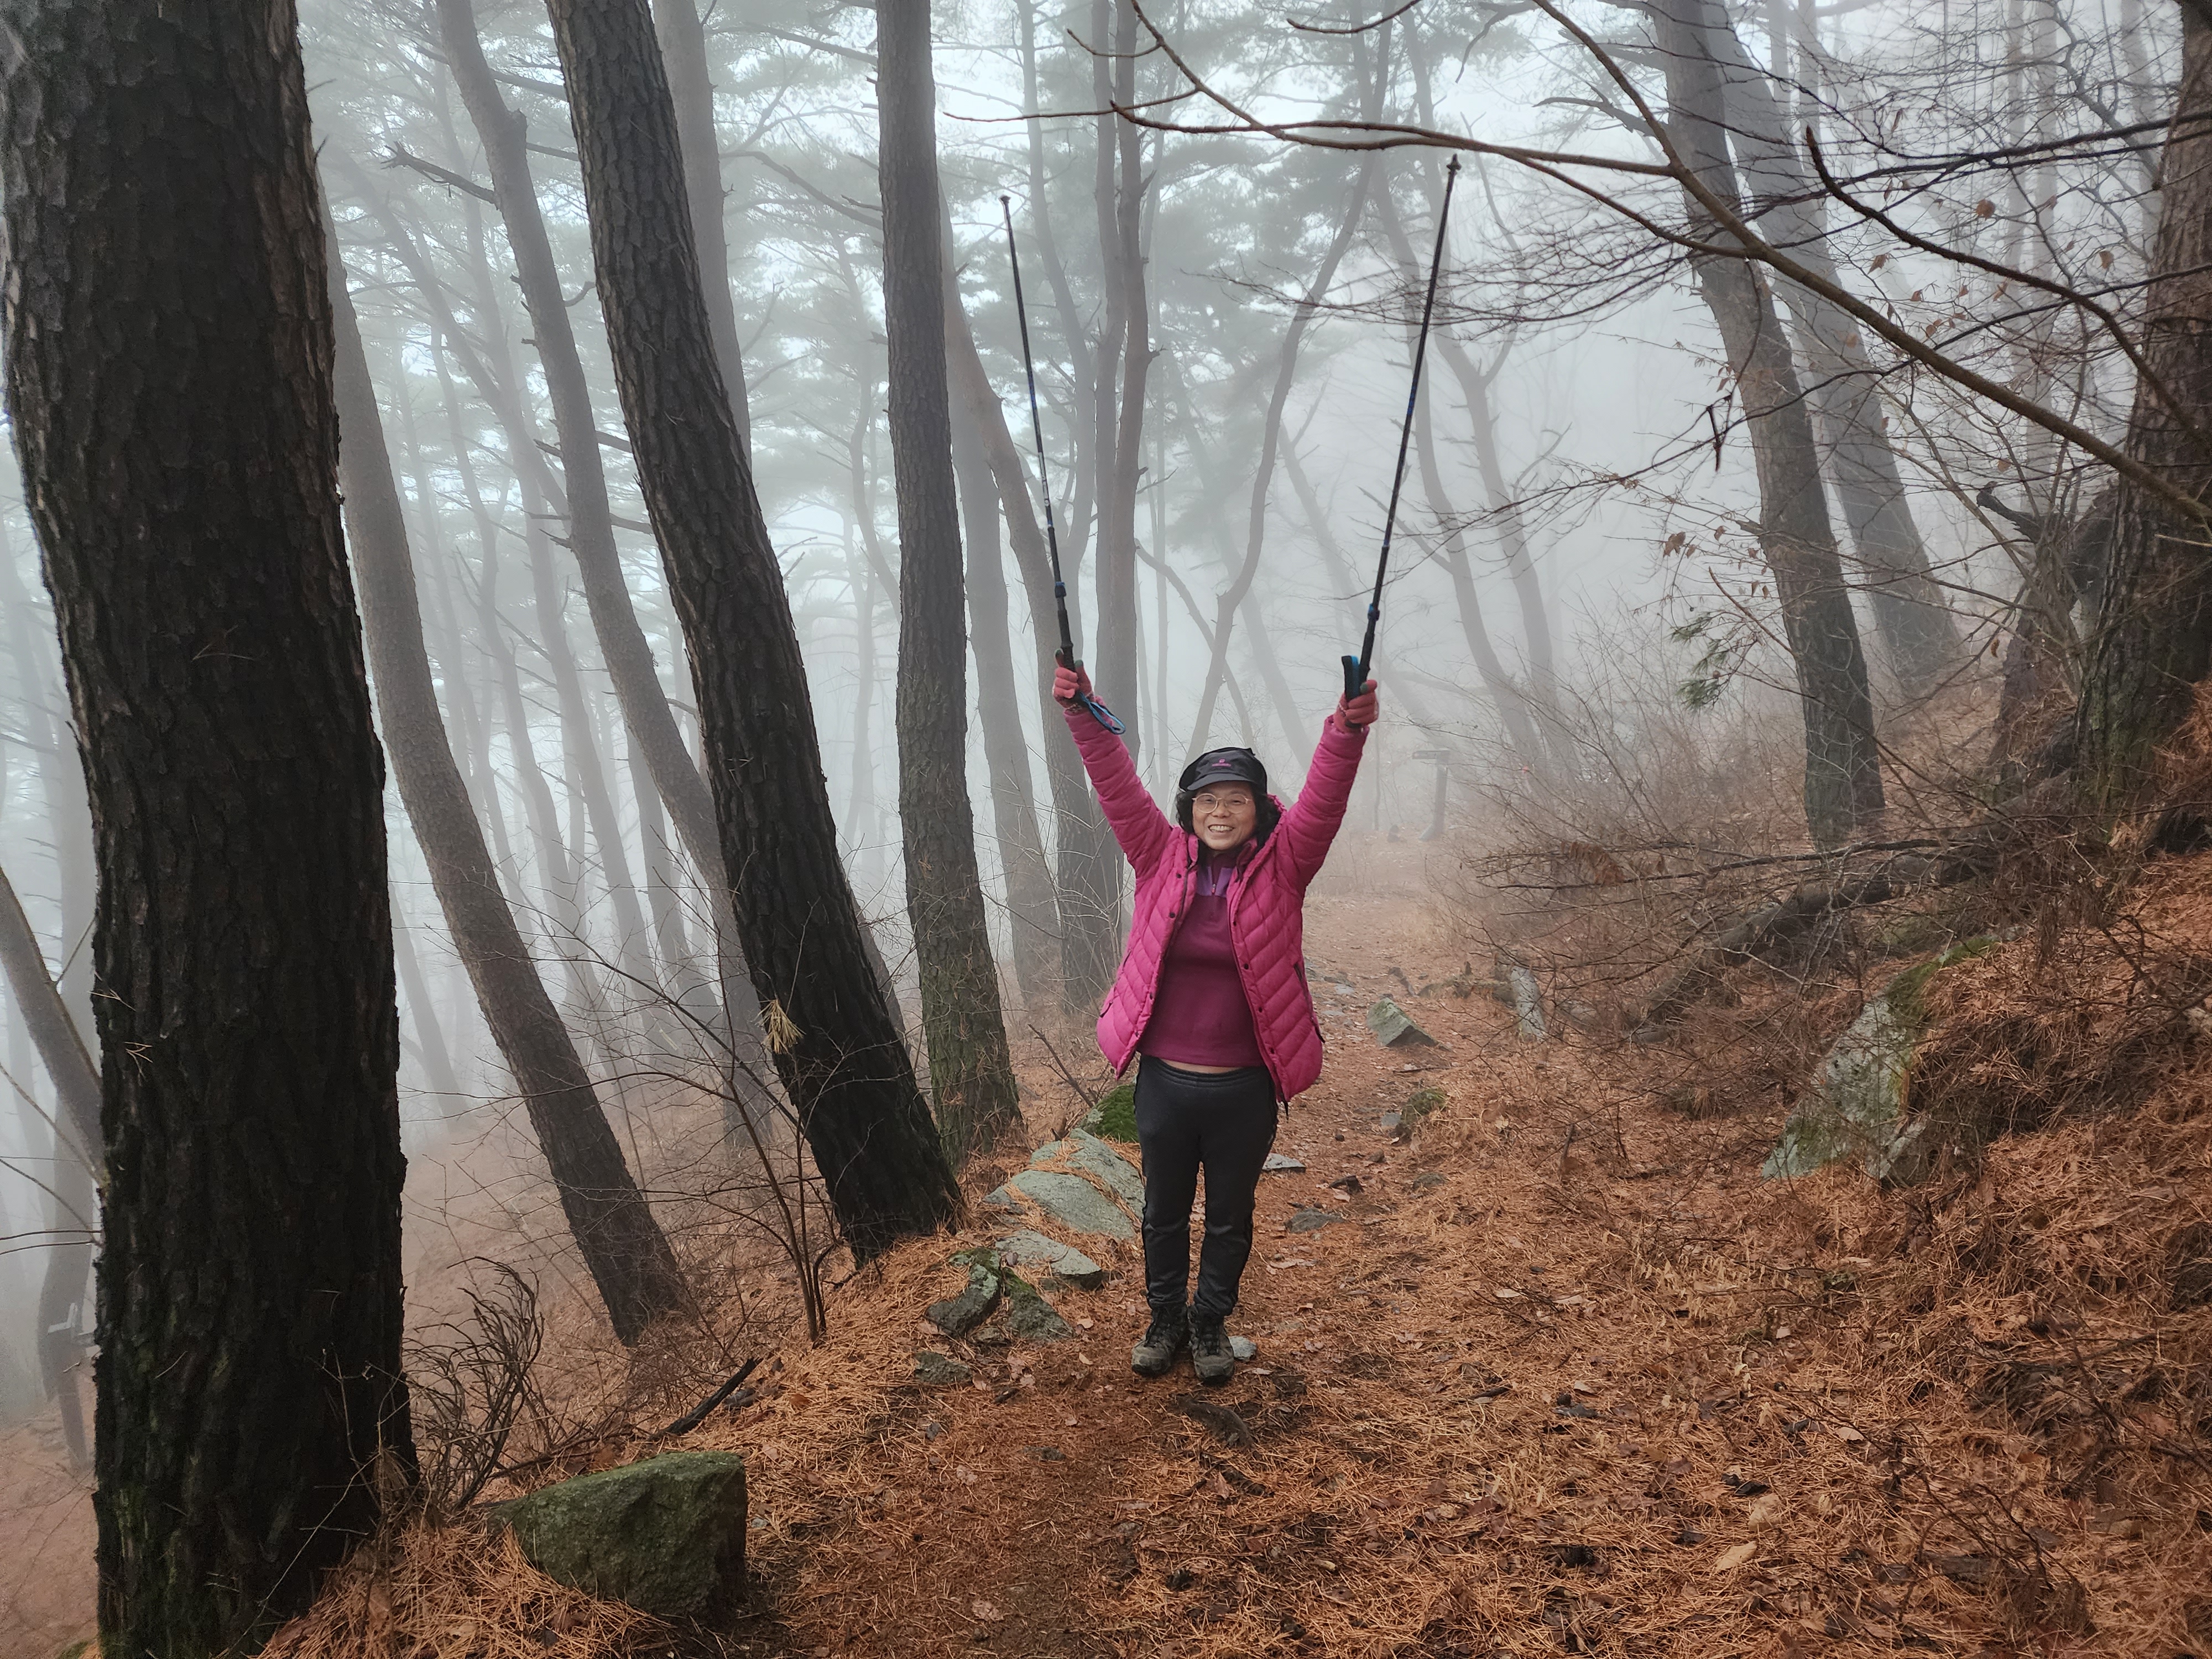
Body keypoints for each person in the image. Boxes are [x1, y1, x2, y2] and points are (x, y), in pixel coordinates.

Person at [1054, 660, 1379, 1385]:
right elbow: (1117, 786)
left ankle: (1209, 1321)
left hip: (1244, 1088)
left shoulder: (1285, 867)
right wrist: (1082, 713)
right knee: (1163, 1213)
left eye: (1237, 799)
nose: (1222, 811)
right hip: (1166, 1083)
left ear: (1260, 809)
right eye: (1208, 800)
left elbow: (1324, 801)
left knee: (1231, 1216)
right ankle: (1165, 1317)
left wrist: (1346, 729)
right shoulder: (1158, 859)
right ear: (1190, 809)